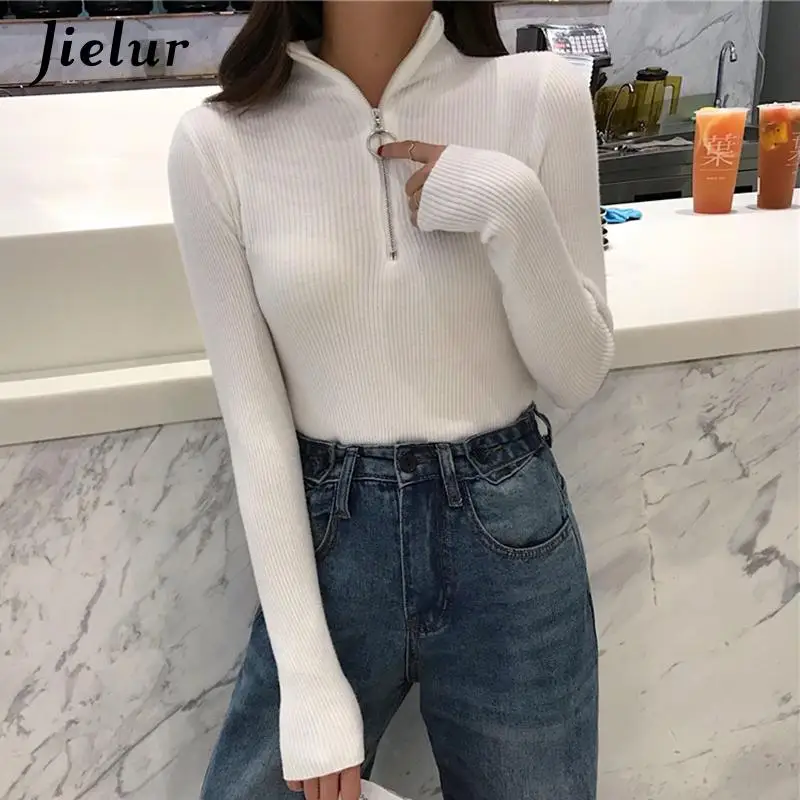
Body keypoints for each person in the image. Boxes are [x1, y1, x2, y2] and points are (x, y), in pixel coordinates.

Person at [167, 1, 614, 798]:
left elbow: (576, 374)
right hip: (330, 544)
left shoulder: (539, 94)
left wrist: (512, 204)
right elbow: (255, 422)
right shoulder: (219, 142)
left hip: (509, 535)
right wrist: (307, 680)